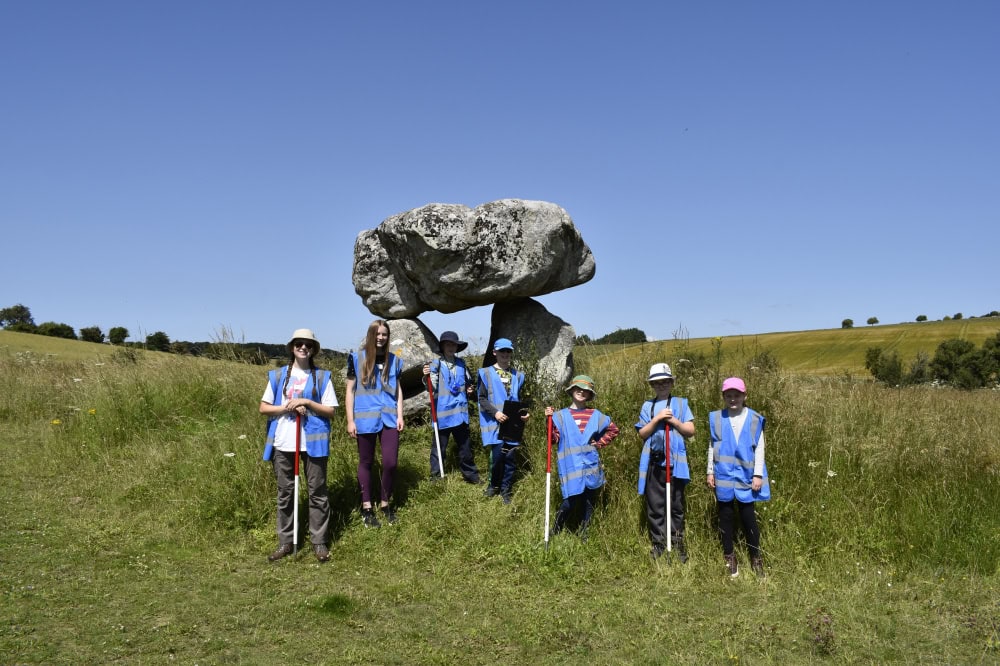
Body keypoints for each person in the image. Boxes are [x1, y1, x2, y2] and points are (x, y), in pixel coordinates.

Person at [259, 329, 338, 563]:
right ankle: (285, 542)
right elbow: (264, 408)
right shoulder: (277, 376)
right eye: (299, 344)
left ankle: (319, 542)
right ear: (292, 347)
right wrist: (288, 407)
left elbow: (331, 411)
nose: (303, 347)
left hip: (313, 444)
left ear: (313, 349)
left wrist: (306, 401)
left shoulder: (322, 377)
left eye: (308, 344)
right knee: (285, 494)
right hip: (284, 442)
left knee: (318, 494)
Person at [707, 377, 770, 577]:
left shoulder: (754, 418)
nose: (733, 399)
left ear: (745, 396)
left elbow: (760, 448)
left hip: (746, 476)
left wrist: (758, 475)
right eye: (728, 395)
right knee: (725, 517)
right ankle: (729, 558)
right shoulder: (716, 418)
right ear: (724, 397)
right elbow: (712, 446)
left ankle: (756, 558)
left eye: (737, 395)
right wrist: (710, 471)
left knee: (748, 518)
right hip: (723, 475)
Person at [544, 375, 619, 541]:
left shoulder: (595, 415)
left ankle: (584, 531)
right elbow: (553, 440)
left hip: (591, 465)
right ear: (571, 391)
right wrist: (548, 420)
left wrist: (599, 443)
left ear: (589, 395)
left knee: (588, 500)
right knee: (570, 500)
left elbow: (613, 430)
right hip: (571, 466)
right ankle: (556, 529)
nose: (581, 392)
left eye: (586, 390)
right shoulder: (560, 416)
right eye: (578, 388)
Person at [345, 319, 405, 528]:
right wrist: (350, 420)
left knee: (390, 463)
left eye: (384, 334)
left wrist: (400, 415)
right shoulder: (357, 358)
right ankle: (366, 507)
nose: (380, 338)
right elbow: (350, 392)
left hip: (389, 418)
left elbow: (398, 390)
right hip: (364, 419)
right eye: (377, 334)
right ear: (371, 335)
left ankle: (385, 504)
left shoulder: (395, 360)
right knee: (366, 462)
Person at [636, 363, 695, 561]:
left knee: (676, 505)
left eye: (665, 382)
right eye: (656, 383)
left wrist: (674, 422)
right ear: (652, 385)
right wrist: (657, 419)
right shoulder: (648, 406)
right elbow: (642, 433)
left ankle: (677, 543)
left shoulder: (680, 403)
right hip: (655, 463)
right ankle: (659, 543)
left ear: (671, 383)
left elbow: (690, 431)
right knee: (656, 506)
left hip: (675, 464)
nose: (661, 386)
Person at [422, 331, 480, 483]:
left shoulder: (461, 363)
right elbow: (431, 387)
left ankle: (471, 476)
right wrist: (426, 376)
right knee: (439, 449)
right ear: (442, 347)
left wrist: (469, 389)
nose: (451, 347)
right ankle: (436, 477)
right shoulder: (435, 364)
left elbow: (468, 383)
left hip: (460, 414)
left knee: (465, 449)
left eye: (453, 344)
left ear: (457, 347)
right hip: (443, 415)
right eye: (447, 344)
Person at [477, 338, 529, 504]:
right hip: (495, 422)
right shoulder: (485, 373)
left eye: (508, 351)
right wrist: (495, 413)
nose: (505, 354)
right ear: (495, 353)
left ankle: (506, 490)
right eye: (502, 351)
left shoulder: (519, 376)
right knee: (498, 457)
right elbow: (482, 399)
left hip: (513, 425)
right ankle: (494, 485)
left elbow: (523, 400)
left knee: (510, 458)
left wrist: (526, 413)